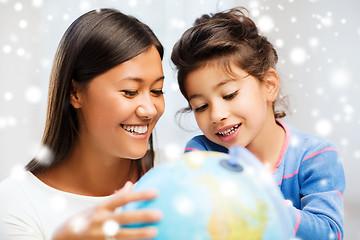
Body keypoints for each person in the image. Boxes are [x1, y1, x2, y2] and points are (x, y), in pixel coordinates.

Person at [171, 7, 345, 240]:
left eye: (229, 94)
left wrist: (261, 201)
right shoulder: (202, 153)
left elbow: (329, 233)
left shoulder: (316, 156)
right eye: (201, 106)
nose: (216, 115)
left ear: (269, 85)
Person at [0, 8, 165, 240]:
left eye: (157, 90)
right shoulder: (17, 202)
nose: (149, 110)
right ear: (75, 93)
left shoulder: (176, 175)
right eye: (130, 92)